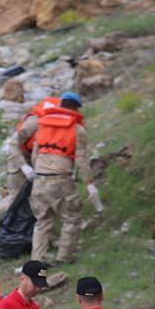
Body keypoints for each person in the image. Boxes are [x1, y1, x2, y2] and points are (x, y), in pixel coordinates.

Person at [28, 91, 96, 264]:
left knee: (42, 222)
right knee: (71, 218)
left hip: (39, 179)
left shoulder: (42, 125)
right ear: (76, 107)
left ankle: (37, 260)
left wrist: (38, 171)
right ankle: (64, 258)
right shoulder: (77, 129)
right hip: (60, 179)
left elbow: (35, 155)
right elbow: (81, 159)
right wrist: (89, 183)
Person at [5, 95, 60, 195]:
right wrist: (24, 167)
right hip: (19, 156)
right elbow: (13, 144)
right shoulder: (33, 122)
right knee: (19, 194)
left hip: (37, 157)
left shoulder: (56, 125)